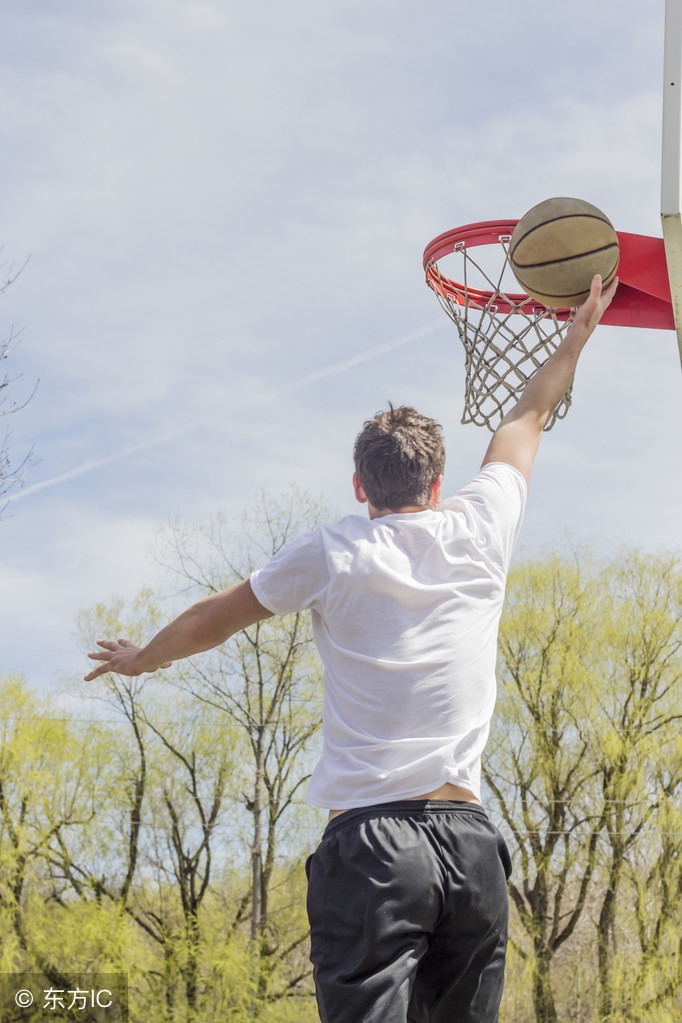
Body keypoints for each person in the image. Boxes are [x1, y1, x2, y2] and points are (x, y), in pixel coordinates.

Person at [85, 274, 617, 1023]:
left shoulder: (336, 548)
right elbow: (528, 414)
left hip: (373, 847)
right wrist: (576, 335)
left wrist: (145, 657)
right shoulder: (481, 524)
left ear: (360, 486)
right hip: (470, 848)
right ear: (437, 485)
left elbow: (220, 615)